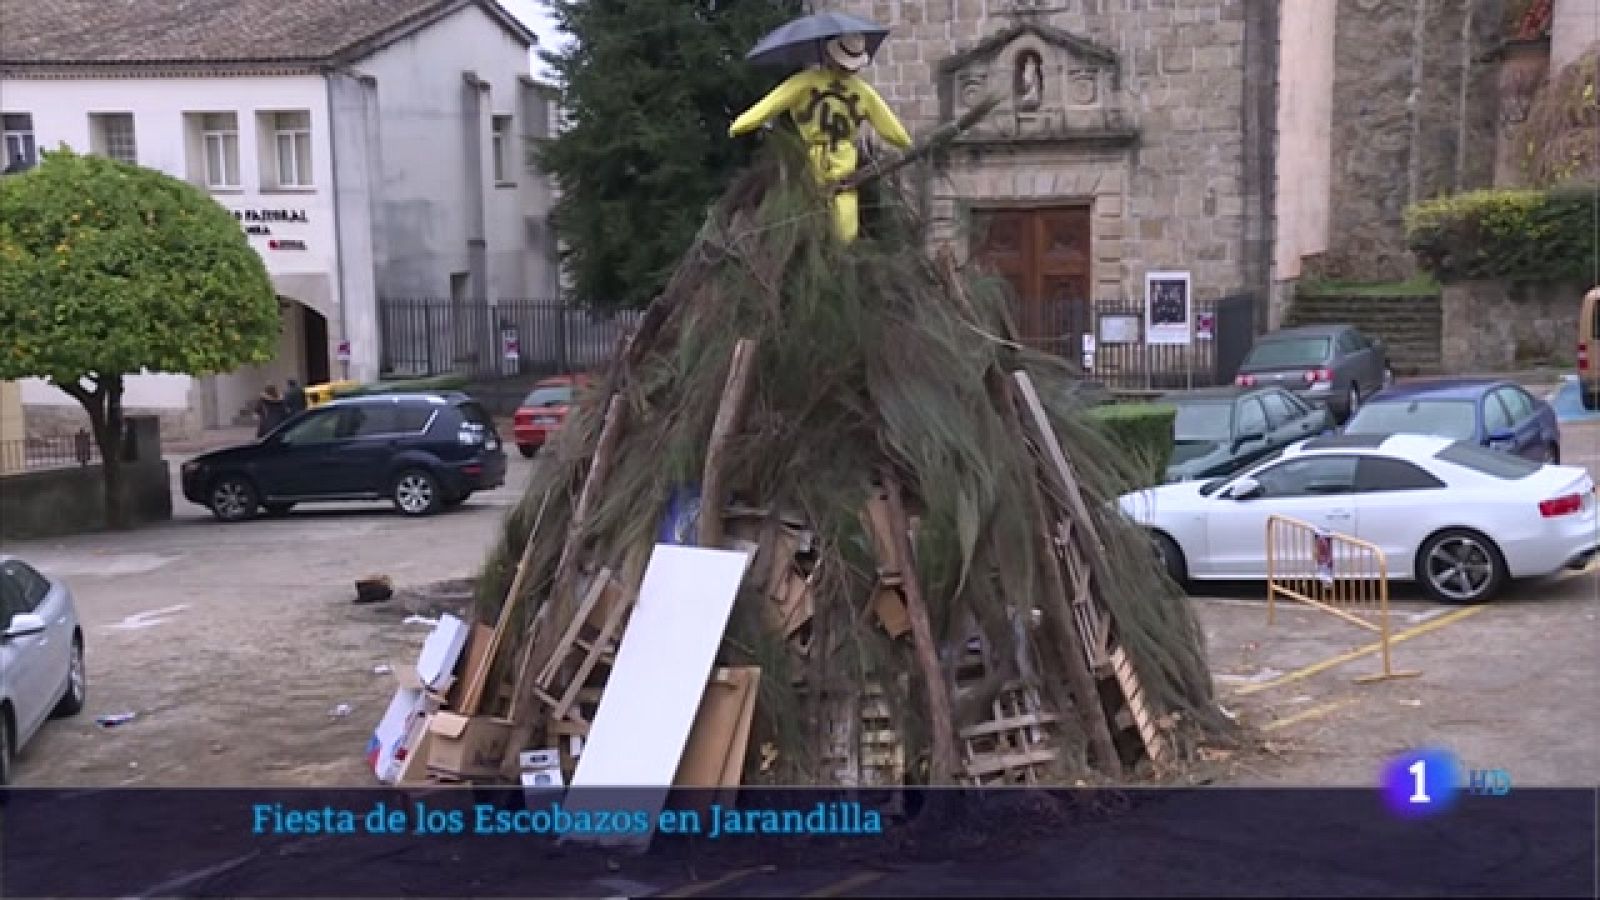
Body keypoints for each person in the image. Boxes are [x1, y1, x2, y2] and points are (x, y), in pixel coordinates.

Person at [728, 32, 912, 242]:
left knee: (845, 228)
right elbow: (770, 105)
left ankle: (837, 258)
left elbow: (891, 128)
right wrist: (740, 125)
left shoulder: (863, 92)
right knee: (807, 217)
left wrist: (908, 144)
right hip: (809, 160)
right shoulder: (805, 83)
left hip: (843, 164)